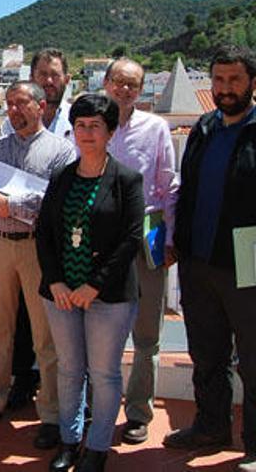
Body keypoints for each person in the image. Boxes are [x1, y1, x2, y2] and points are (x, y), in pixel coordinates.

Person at [0, 81, 76, 451]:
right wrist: (12, 203)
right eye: (9, 104)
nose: (13, 110)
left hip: (36, 249)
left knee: (47, 335)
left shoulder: (62, 152)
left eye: (21, 103)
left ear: (40, 106)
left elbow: (58, 204)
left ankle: (54, 415)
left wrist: (16, 206)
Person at [36, 94, 144, 472]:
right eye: (80, 125)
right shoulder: (61, 177)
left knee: (104, 372)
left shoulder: (127, 180)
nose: (87, 133)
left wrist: (93, 285)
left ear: (110, 132)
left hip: (108, 296)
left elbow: (132, 238)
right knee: (69, 369)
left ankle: (97, 448)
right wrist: (56, 283)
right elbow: (44, 234)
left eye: (95, 126)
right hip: (62, 294)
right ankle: (69, 441)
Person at [165, 45, 256, 472]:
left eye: (234, 80)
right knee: (207, 353)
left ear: (251, 82)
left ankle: (254, 447)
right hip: (197, 261)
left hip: (247, 264)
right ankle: (211, 426)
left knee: (254, 357)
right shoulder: (203, 128)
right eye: (218, 80)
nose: (225, 89)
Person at [101, 57, 179, 444]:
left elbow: (168, 187)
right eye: (119, 82)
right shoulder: (92, 126)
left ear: (142, 89)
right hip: (102, 240)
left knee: (146, 332)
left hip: (146, 236)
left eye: (133, 84)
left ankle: (137, 413)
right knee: (101, 331)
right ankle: (100, 408)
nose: (125, 90)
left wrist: (168, 240)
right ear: (106, 83)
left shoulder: (156, 129)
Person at [1, 48, 74, 410]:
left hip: (60, 239)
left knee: (56, 326)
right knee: (19, 323)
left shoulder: (76, 124)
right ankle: (22, 384)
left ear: (66, 80)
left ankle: (62, 402)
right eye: (42, 73)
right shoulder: (10, 124)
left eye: (54, 74)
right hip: (14, 236)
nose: (48, 79)